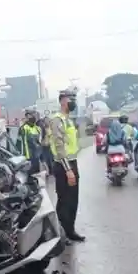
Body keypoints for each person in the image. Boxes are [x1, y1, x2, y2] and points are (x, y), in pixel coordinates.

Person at [50, 90, 85, 242]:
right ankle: (61, 235)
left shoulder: (69, 120)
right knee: (64, 201)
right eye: (71, 99)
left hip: (72, 163)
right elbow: (59, 147)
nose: (73, 102)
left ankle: (70, 231)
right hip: (63, 165)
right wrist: (68, 170)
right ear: (63, 101)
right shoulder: (57, 120)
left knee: (73, 201)